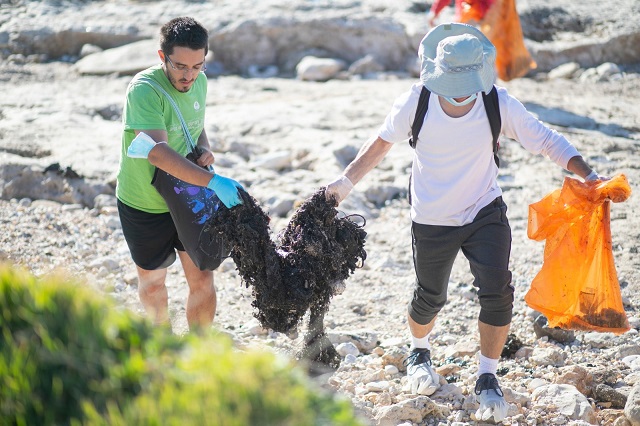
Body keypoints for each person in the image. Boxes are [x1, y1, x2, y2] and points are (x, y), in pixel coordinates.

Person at [324, 23, 608, 423]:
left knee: (497, 292)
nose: (458, 89)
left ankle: (487, 376)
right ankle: (418, 351)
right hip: (432, 215)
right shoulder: (416, 101)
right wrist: (343, 183)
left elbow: (545, 139)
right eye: (450, 80)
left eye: (465, 81)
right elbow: (381, 144)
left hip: (483, 210)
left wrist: (586, 172)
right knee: (430, 297)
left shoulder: (497, 103)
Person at [116, 17, 244, 331]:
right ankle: (162, 348)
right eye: (180, 67)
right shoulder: (144, 91)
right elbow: (157, 153)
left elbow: (195, 127)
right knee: (153, 283)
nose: (188, 76)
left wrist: (205, 148)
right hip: (145, 202)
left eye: (198, 66)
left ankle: (198, 352)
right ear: (163, 57)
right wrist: (214, 181)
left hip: (189, 198)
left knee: (202, 278)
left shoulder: (199, 81)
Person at [427, 0, 536, 81]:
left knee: (482, 55)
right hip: (478, 16)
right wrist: (435, 11)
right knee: (481, 55)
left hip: (486, 17)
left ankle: (486, 90)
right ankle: (483, 90)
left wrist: (435, 12)